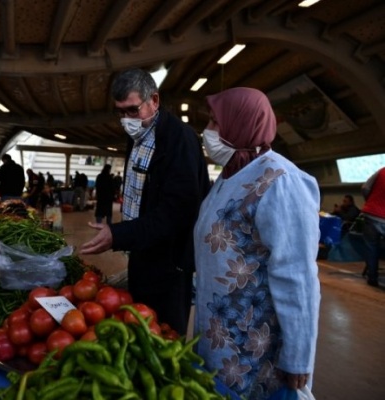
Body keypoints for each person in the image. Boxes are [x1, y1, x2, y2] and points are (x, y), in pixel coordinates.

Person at [193, 87, 320, 399]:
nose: (207, 132)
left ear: (242, 122)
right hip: (217, 335)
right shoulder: (228, 177)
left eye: (214, 122)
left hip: (253, 346)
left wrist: (298, 356)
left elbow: (298, 276)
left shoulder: (280, 181)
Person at [80, 68, 210, 335]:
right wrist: (127, 236)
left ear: (154, 100)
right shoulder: (138, 136)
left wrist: (118, 234)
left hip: (169, 262)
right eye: (120, 112)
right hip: (142, 249)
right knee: (138, 327)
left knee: (163, 333)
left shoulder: (179, 140)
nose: (126, 119)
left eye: (132, 110)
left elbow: (177, 212)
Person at [361, 167, 385, 287]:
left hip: (372, 214)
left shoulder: (382, 171)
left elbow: (365, 187)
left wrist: (370, 200)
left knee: (371, 247)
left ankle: (372, 278)